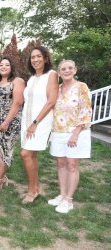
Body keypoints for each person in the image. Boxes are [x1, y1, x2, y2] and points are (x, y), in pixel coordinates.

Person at [48, 60, 92, 213]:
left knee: (72, 165)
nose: (67, 71)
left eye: (70, 68)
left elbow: (85, 111)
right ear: (59, 73)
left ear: (75, 70)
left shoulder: (81, 87)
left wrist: (75, 133)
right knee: (61, 164)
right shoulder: (57, 89)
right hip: (59, 131)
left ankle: (69, 200)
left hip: (76, 132)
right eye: (63, 69)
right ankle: (62, 194)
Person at [20, 46, 59, 204]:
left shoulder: (52, 75)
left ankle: (31, 190)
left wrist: (35, 122)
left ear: (45, 58)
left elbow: (51, 101)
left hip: (40, 121)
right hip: (27, 120)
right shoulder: (31, 79)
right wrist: (28, 122)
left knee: (25, 154)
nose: (35, 60)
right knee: (32, 155)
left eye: (38, 56)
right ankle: (35, 187)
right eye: (32, 57)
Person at [0, 56, 25, 193]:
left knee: (4, 151)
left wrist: (7, 122)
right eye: (1, 65)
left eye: (6, 65)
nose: (3, 67)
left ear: (11, 67)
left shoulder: (17, 81)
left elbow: (17, 103)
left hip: (9, 121)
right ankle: (2, 177)